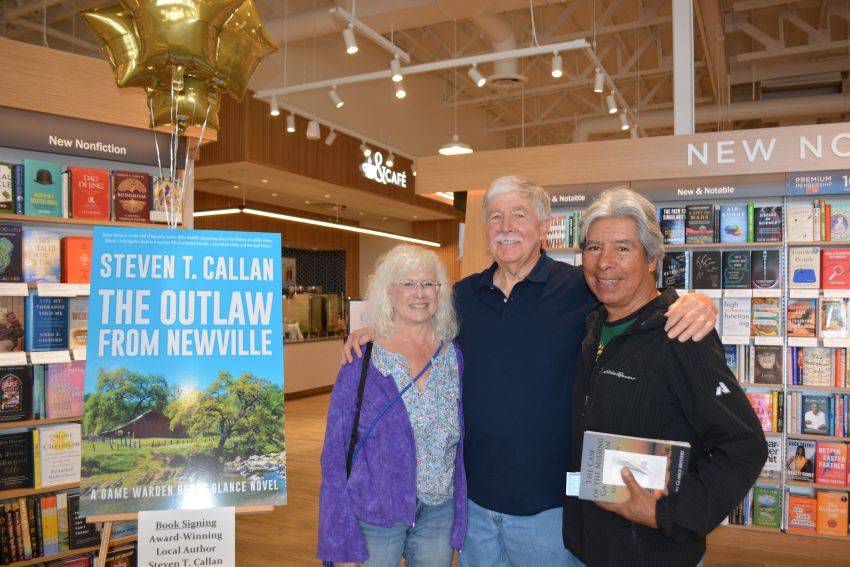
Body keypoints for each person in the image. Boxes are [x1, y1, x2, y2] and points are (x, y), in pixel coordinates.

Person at [344, 176, 718, 566]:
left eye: (518, 215)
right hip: (473, 508)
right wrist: (376, 331)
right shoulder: (461, 296)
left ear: (544, 228)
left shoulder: (583, 288)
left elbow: (637, 298)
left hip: (551, 511)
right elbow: (416, 326)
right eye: (495, 217)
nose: (505, 227)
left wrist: (695, 303)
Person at [563, 187, 767, 566]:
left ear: (652, 258)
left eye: (623, 248)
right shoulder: (593, 328)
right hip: (587, 546)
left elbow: (744, 446)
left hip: (653, 552)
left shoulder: (681, 334)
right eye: (593, 248)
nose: (604, 263)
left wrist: (669, 514)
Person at [318, 244, 466, 567]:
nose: (420, 293)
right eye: (408, 284)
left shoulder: (452, 356)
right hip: (376, 512)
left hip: (438, 512)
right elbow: (334, 453)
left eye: (428, 284)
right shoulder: (362, 358)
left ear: (439, 292)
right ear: (390, 291)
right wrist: (340, 540)